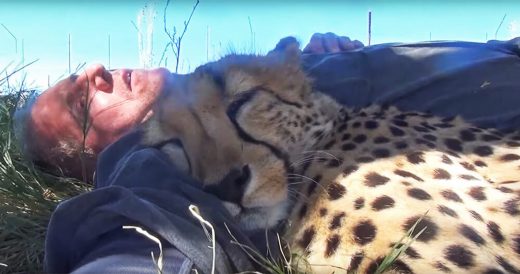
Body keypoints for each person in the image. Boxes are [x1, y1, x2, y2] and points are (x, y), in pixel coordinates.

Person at [30, 32, 520, 273]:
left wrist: (328, 53)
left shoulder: (242, 67)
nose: (96, 69)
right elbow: (142, 231)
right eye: (80, 102)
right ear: (89, 158)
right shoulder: (142, 155)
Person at [15, 33, 363, 182]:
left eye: (81, 74)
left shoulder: (203, 85)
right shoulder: (153, 170)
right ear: (97, 158)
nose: (97, 69)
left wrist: (308, 55)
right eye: (81, 102)